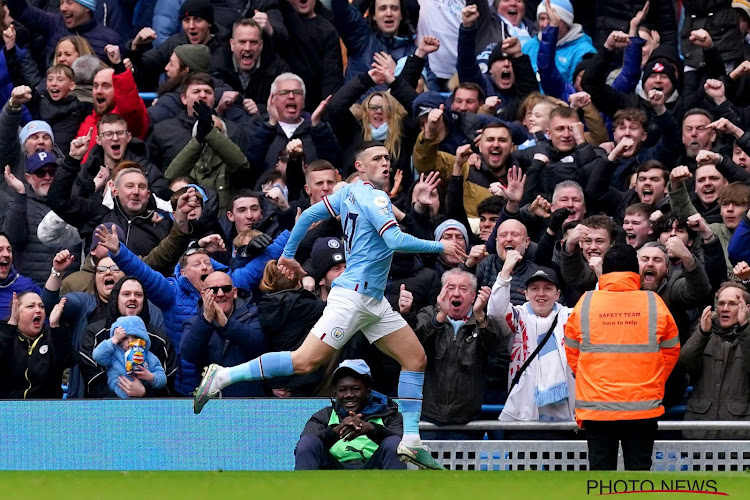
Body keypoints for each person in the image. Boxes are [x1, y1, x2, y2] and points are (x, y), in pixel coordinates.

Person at [193, 140, 468, 470]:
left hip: (372, 300)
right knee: (304, 362)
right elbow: (395, 240)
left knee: (415, 358)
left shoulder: (348, 195)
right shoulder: (374, 196)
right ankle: (223, 376)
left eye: (387, 158)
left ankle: (410, 440)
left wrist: (290, 254)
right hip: (352, 298)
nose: (385, 162)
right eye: (377, 158)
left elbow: (308, 213)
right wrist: (441, 247)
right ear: (360, 166)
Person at [564, 244, 680, 470]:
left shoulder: (586, 303)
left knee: (600, 478)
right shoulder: (653, 303)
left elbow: (571, 350)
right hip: (642, 407)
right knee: (638, 476)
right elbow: (671, 350)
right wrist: (654, 379)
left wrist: (590, 378)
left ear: (604, 271)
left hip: (597, 407)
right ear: (634, 272)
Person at [402, 268, 500, 439]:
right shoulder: (427, 314)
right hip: (427, 418)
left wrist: (479, 315)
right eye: (450, 287)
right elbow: (413, 348)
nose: (456, 294)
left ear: (473, 296)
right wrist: (440, 317)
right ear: (441, 292)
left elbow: (495, 349)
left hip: (466, 422)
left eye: (463, 289)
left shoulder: (483, 322)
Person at [489, 254, 575, 426]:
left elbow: (595, 312)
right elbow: (496, 311)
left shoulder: (571, 317)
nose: (541, 294)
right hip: (524, 413)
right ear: (526, 294)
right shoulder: (518, 317)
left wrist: (600, 274)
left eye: (548, 288)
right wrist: (505, 272)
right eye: (535, 288)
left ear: (557, 294)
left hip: (566, 416)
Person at [294, 359, 406, 470]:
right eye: (342, 390)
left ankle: (397, 487)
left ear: (368, 391)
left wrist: (372, 429)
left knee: (394, 442)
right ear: (335, 393)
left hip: (375, 468)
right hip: (332, 471)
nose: (348, 395)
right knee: (308, 442)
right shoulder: (324, 416)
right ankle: (303, 487)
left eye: (355, 389)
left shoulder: (388, 414)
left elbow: (404, 446)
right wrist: (336, 431)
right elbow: (305, 447)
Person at [181, 271, 269, 397]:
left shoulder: (254, 314)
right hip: (213, 401)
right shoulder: (193, 323)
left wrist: (227, 325)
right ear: (203, 295)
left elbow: (260, 345)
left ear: (234, 292)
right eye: (214, 290)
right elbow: (189, 354)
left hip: (250, 399)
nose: (221, 294)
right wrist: (206, 320)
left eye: (226, 289)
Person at [679, 282, 750, 439]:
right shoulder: (704, 334)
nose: (725, 308)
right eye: (721, 303)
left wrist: (744, 329)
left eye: (732, 304)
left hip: (739, 435)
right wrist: (702, 334)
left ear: (746, 308)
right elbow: (683, 364)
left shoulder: (747, 336)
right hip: (700, 433)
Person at [0, 291, 70, 398]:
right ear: (16, 311)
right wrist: (10, 326)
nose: (38, 310)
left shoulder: (53, 336)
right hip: (8, 408)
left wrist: (55, 327)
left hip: (46, 408)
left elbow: (65, 361)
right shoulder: (5, 334)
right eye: (30, 306)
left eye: (41, 306)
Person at [91, 315, 167, 398]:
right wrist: (114, 340)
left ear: (144, 339)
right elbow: (97, 356)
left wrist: (151, 377)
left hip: (141, 400)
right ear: (119, 342)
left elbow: (162, 379)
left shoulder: (149, 357)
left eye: (135, 337)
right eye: (124, 338)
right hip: (116, 397)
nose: (130, 341)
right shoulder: (114, 354)